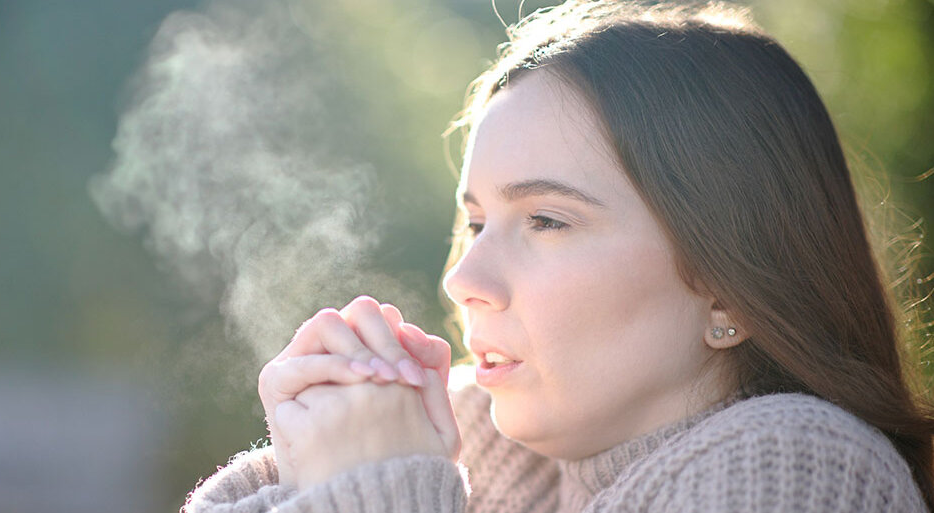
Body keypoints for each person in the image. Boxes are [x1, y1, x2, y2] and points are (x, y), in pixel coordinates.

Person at [182, 1, 934, 511]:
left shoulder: (799, 470)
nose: (463, 279)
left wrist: (380, 488)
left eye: (545, 219)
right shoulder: (476, 439)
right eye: (475, 223)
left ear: (728, 290)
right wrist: (303, 462)